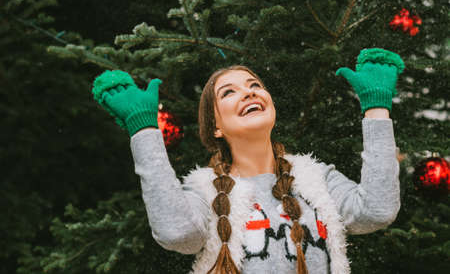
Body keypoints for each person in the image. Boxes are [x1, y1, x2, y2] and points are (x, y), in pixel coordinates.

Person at [92, 48, 404, 274]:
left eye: (255, 85)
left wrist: (377, 108)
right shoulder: (204, 191)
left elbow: (376, 211)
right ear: (216, 126)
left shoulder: (316, 179)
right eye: (229, 92)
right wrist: (144, 128)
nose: (249, 93)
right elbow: (177, 234)